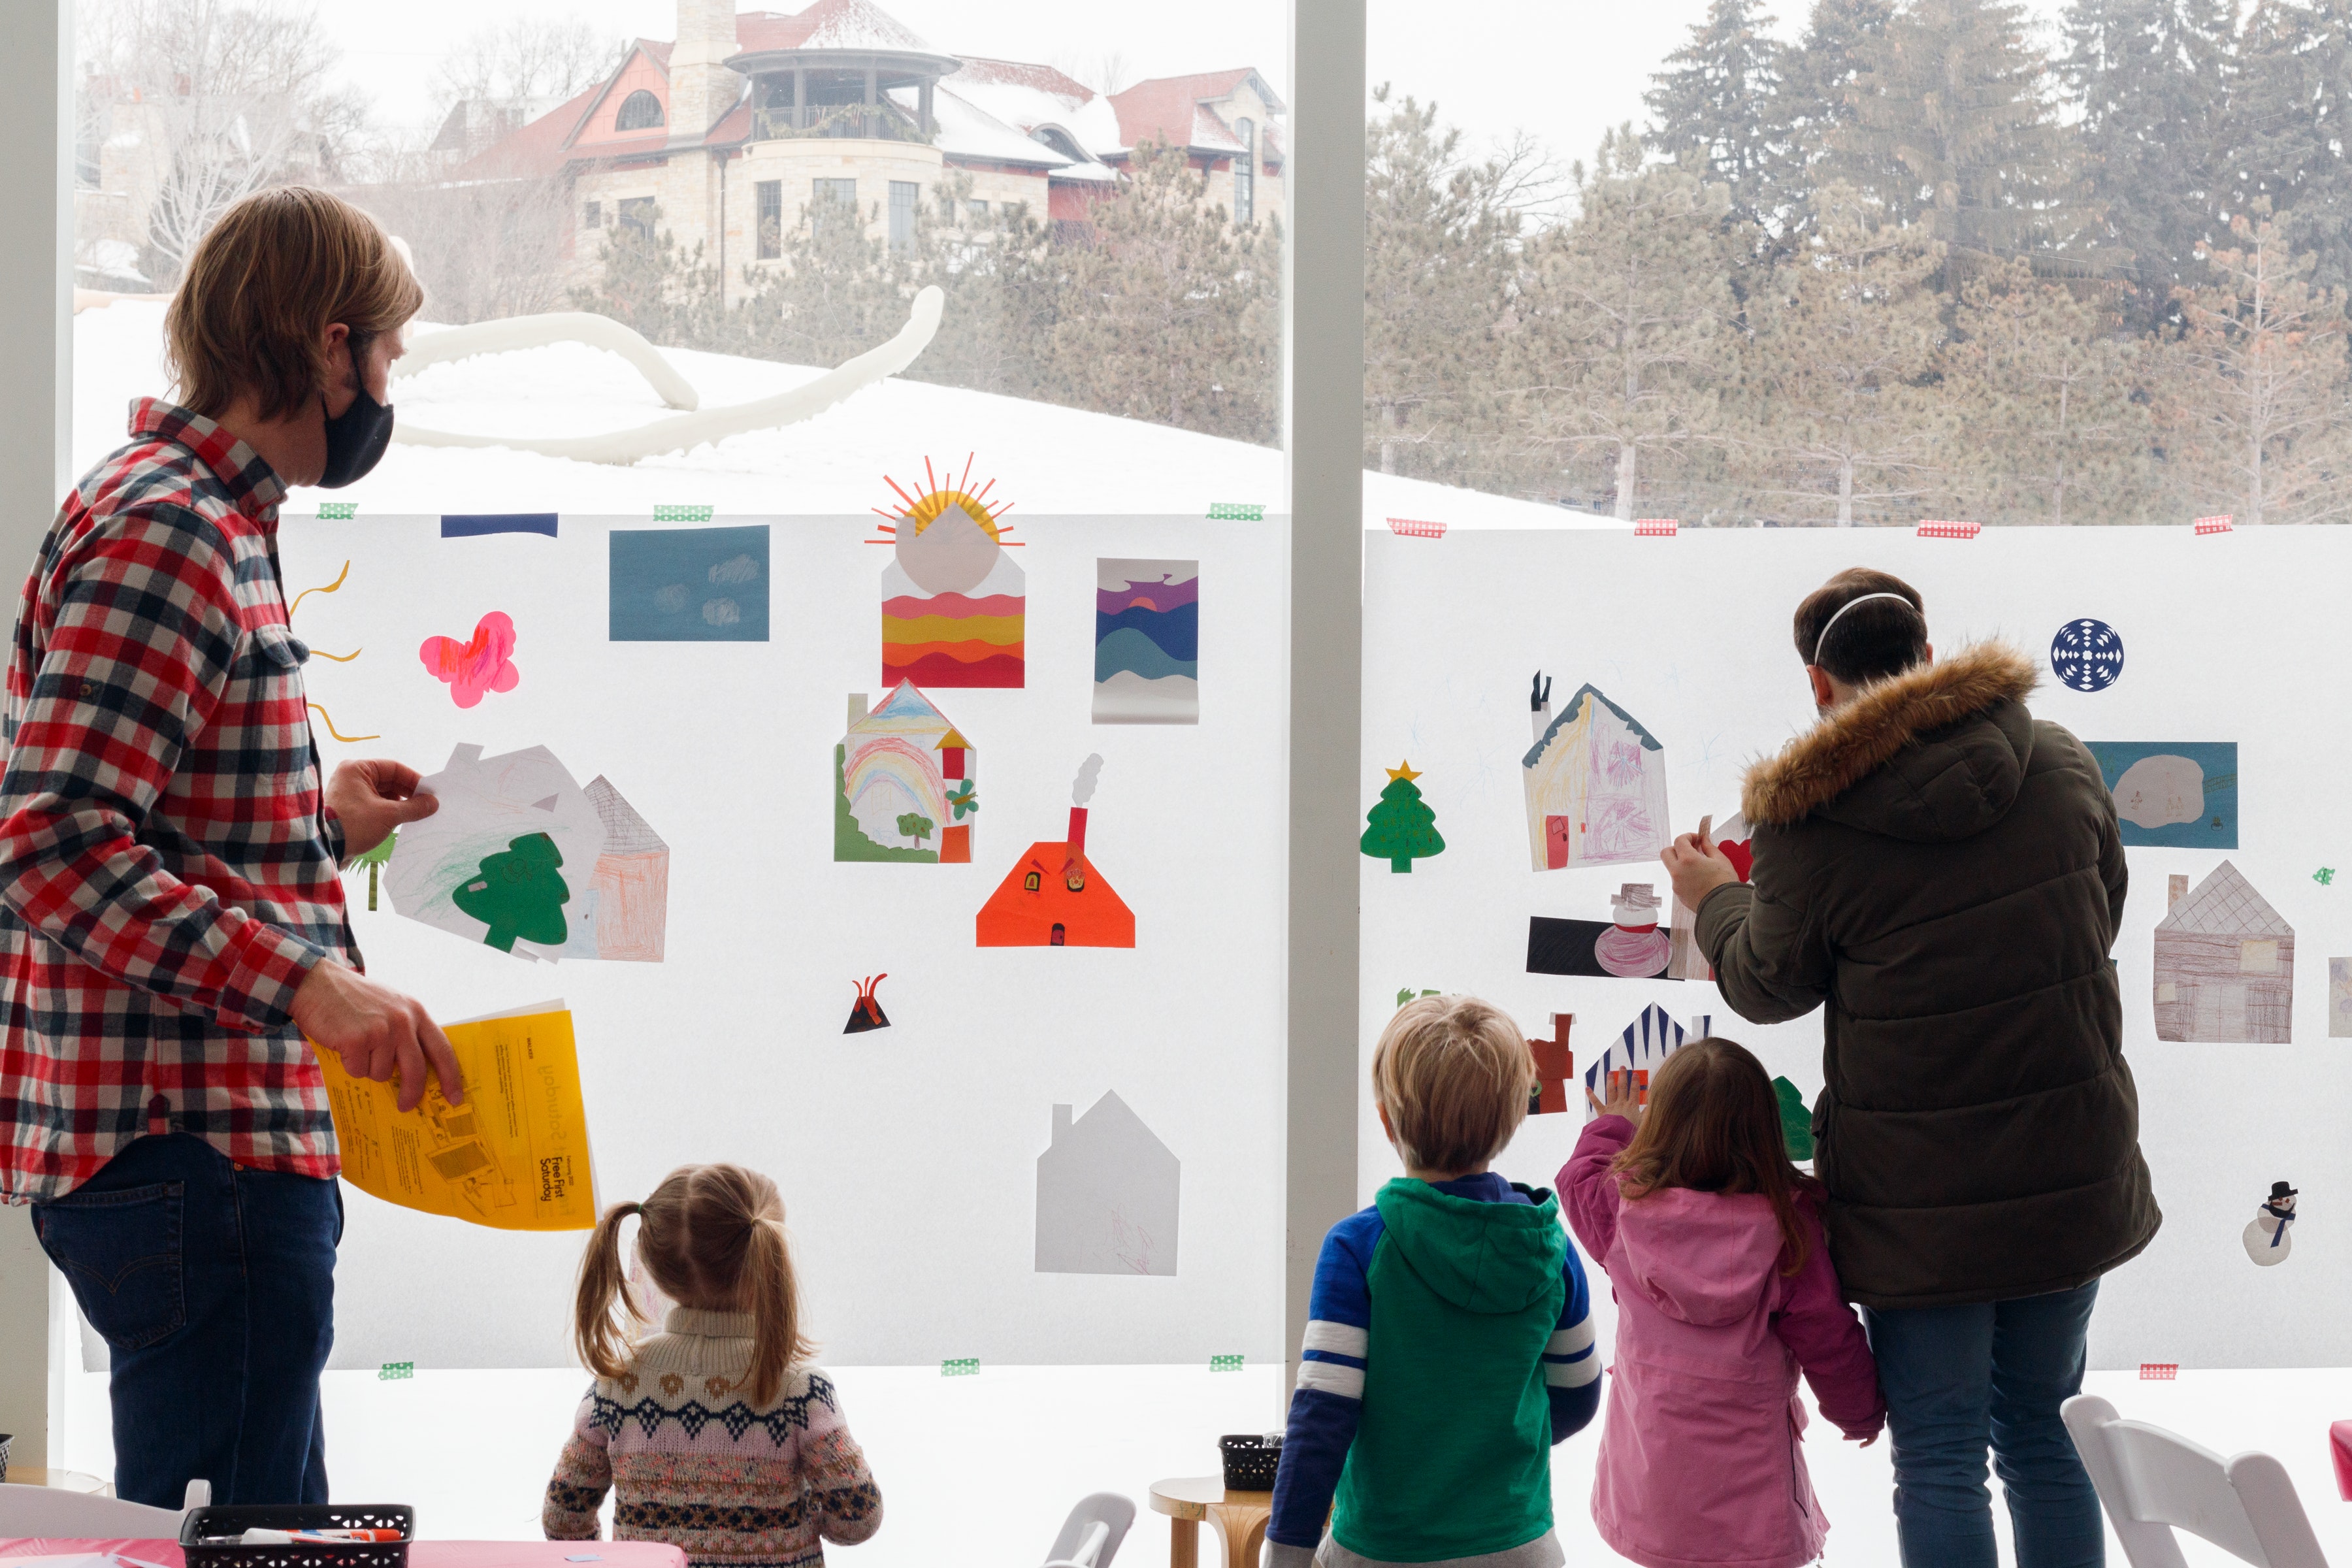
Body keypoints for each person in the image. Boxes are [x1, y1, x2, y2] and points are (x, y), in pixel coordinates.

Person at [0, 186, 463, 1507]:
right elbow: (51, 843)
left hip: (198, 1157)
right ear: (328, 349)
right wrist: (310, 982)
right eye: (386, 353)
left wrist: (318, 827)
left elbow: (143, 817)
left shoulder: (197, 518)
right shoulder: (175, 530)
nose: (387, 387)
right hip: (200, 1154)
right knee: (241, 1543)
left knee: (263, 1532)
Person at [1660, 568, 2160, 1568]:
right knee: (2046, 1436)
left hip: (1917, 1198)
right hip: (2069, 1171)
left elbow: (1767, 986)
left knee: (1939, 1455)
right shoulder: (2059, 762)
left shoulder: (1811, 827)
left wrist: (1713, 898)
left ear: (1818, 685)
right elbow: (2102, 903)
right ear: (1929, 658)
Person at [1267, 995, 1601, 1568]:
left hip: (1384, 1549)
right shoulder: (1549, 1247)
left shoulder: (1357, 1248)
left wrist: (1285, 1555)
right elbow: (1580, 1395)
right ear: (1514, 1118)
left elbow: (1322, 1418)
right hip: (1521, 1547)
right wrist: (1491, 1449)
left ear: (1386, 1120)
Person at [1558, 1037, 1883, 1568]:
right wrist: (1860, 1412)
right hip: (1751, 1492)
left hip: (1651, 1485)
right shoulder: (1788, 1228)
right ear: (1762, 1130)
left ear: (1660, 1126)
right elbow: (1828, 1334)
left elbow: (1577, 1177)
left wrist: (1617, 1124)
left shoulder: (1621, 1208)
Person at [544, 1164, 882, 1566]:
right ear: (768, 1260)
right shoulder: (800, 1390)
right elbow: (858, 1518)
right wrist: (793, 1518)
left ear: (656, 1268)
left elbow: (563, 1519)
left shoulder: (617, 1386)